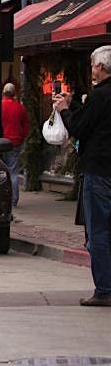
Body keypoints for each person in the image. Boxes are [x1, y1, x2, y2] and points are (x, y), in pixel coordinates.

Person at [54, 45, 111, 307]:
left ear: (100, 67)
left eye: (92, 66)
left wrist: (65, 110)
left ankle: (104, 289)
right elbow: (93, 119)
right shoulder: (99, 98)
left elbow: (80, 127)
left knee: (98, 231)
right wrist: (75, 104)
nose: (91, 70)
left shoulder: (100, 96)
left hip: (99, 172)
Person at [0, 82, 29, 207]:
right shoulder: (19, 107)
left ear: (3, 93)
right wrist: (22, 138)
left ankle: (0, 198)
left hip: (0, 142)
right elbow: (26, 125)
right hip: (14, 142)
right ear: (14, 93)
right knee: (13, 172)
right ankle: (13, 200)